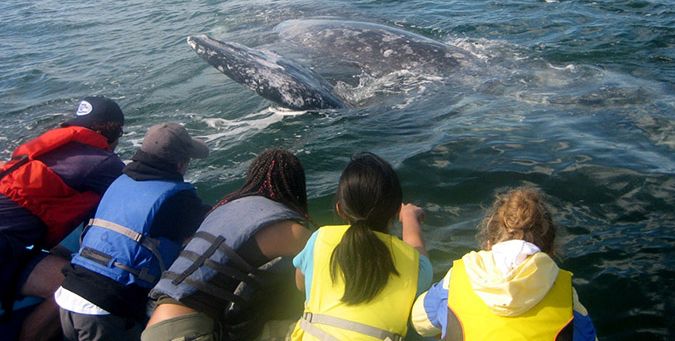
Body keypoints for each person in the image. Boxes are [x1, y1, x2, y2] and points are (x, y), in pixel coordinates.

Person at [55, 122, 211, 341]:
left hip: (68, 295)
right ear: (179, 163)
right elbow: (213, 227)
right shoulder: (177, 199)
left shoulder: (120, 181)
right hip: (105, 310)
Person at [142, 147, 314, 341]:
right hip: (189, 333)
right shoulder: (288, 228)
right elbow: (327, 261)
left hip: (156, 322)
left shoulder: (224, 209)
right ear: (295, 186)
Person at [0, 96, 126, 341]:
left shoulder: (45, 149)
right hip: (4, 248)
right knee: (79, 284)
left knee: (62, 257)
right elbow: (140, 192)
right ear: (115, 131)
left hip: (10, 242)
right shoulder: (102, 162)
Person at [411, 187, 598, 341]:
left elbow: (418, 322)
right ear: (551, 251)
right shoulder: (566, 296)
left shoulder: (458, 278)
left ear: (489, 244)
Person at [291, 152, 433, 341]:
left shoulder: (319, 239)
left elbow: (300, 285)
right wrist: (409, 218)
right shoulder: (417, 267)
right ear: (394, 213)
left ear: (340, 209)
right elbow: (419, 253)